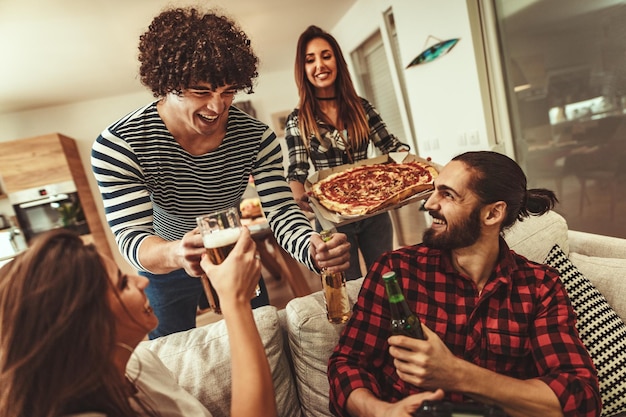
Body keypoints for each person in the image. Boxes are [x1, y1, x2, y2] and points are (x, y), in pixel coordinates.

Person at [91, 8, 350, 339]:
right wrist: (174, 252)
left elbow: (282, 212)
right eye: (201, 91)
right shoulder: (120, 145)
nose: (218, 106)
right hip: (166, 259)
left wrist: (310, 246)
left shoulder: (257, 138)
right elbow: (131, 238)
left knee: (263, 335)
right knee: (173, 350)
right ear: (166, 84)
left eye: (228, 91)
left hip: (232, 248)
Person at [328, 151, 601, 417]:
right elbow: (348, 364)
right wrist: (382, 411)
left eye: (447, 195)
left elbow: (581, 399)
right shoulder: (397, 271)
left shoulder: (540, 287)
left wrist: (456, 374)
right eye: (434, 190)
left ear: (492, 214)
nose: (429, 204)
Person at [0, 227, 277, 417]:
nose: (142, 281)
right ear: (84, 324)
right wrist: (235, 303)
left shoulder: (138, 363)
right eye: (122, 284)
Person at [285, 25, 410, 281]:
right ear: (303, 69)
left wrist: (412, 162)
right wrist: (299, 196)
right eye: (310, 60)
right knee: (349, 287)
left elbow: (391, 146)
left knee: (386, 278)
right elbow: (297, 172)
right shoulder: (298, 119)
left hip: (375, 212)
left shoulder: (361, 107)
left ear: (338, 61)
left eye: (326, 56)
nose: (320, 65)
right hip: (332, 220)